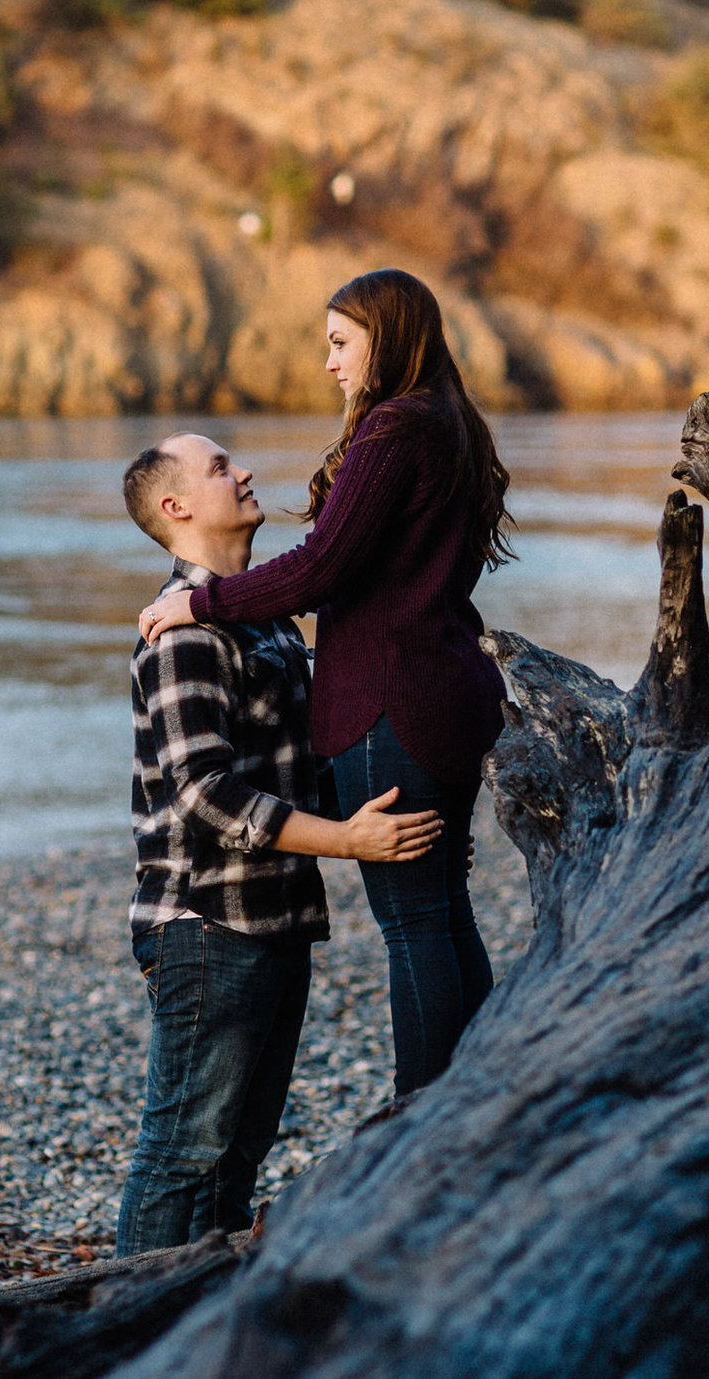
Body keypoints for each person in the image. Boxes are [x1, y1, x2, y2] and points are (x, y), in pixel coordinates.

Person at [137, 270, 513, 1099]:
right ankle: (480, 1095)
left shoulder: (394, 431)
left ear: (390, 336)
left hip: (395, 703)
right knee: (446, 910)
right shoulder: (450, 425)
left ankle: (423, 1112)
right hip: (449, 693)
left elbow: (321, 567)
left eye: (342, 343)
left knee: (415, 922)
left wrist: (200, 602)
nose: (331, 363)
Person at [114, 430, 441, 1256]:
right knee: (183, 1155)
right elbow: (204, 793)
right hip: (206, 927)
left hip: (275, 921)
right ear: (175, 506)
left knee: (234, 1158)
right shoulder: (184, 634)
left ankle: (195, 1329)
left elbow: (307, 759)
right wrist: (349, 841)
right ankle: (118, 1331)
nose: (246, 470)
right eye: (221, 467)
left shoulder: (263, 622)